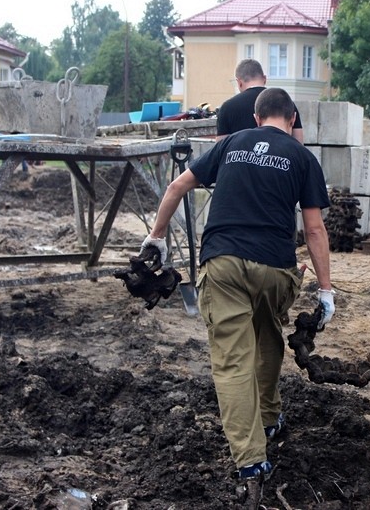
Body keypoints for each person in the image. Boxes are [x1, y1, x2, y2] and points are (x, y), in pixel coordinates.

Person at [142, 87, 334, 503]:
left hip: (223, 263)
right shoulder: (302, 157)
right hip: (274, 268)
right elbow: (315, 229)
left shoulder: (230, 144)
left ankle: (251, 463)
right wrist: (326, 289)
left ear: (255, 115)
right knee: (267, 339)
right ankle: (268, 421)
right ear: (292, 116)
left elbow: (176, 188)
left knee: (232, 364)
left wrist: (156, 239)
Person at [217, 59, 305, 144]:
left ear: (239, 82)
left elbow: (220, 149)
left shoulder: (227, 107)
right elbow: (299, 143)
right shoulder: (285, 102)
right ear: (264, 79)